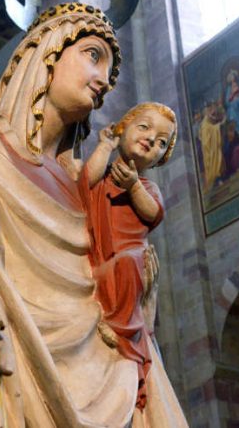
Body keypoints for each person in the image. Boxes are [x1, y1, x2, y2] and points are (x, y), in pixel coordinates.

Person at [0, 3, 188, 428]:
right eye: (93, 55)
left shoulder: (87, 190)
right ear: (48, 51)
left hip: (110, 383)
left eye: (109, 72)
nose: (102, 82)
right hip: (5, 369)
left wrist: (141, 303)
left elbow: (112, 296)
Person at [78, 102, 177, 412]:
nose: (151, 139)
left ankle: (124, 329)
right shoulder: (103, 177)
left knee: (132, 262)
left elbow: (153, 212)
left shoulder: (147, 187)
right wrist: (104, 146)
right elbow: (84, 182)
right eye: (144, 127)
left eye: (162, 142)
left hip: (126, 262)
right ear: (122, 128)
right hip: (96, 261)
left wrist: (133, 186)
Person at [199, 102, 226, 193]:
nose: (211, 112)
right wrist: (219, 125)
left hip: (213, 146)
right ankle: (217, 179)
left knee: (218, 158)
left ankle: (221, 176)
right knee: (214, 161)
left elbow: (214, 123)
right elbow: (208, 132)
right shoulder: (205, 123)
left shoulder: (209, 119)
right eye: (209, 110)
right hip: (209, 149)